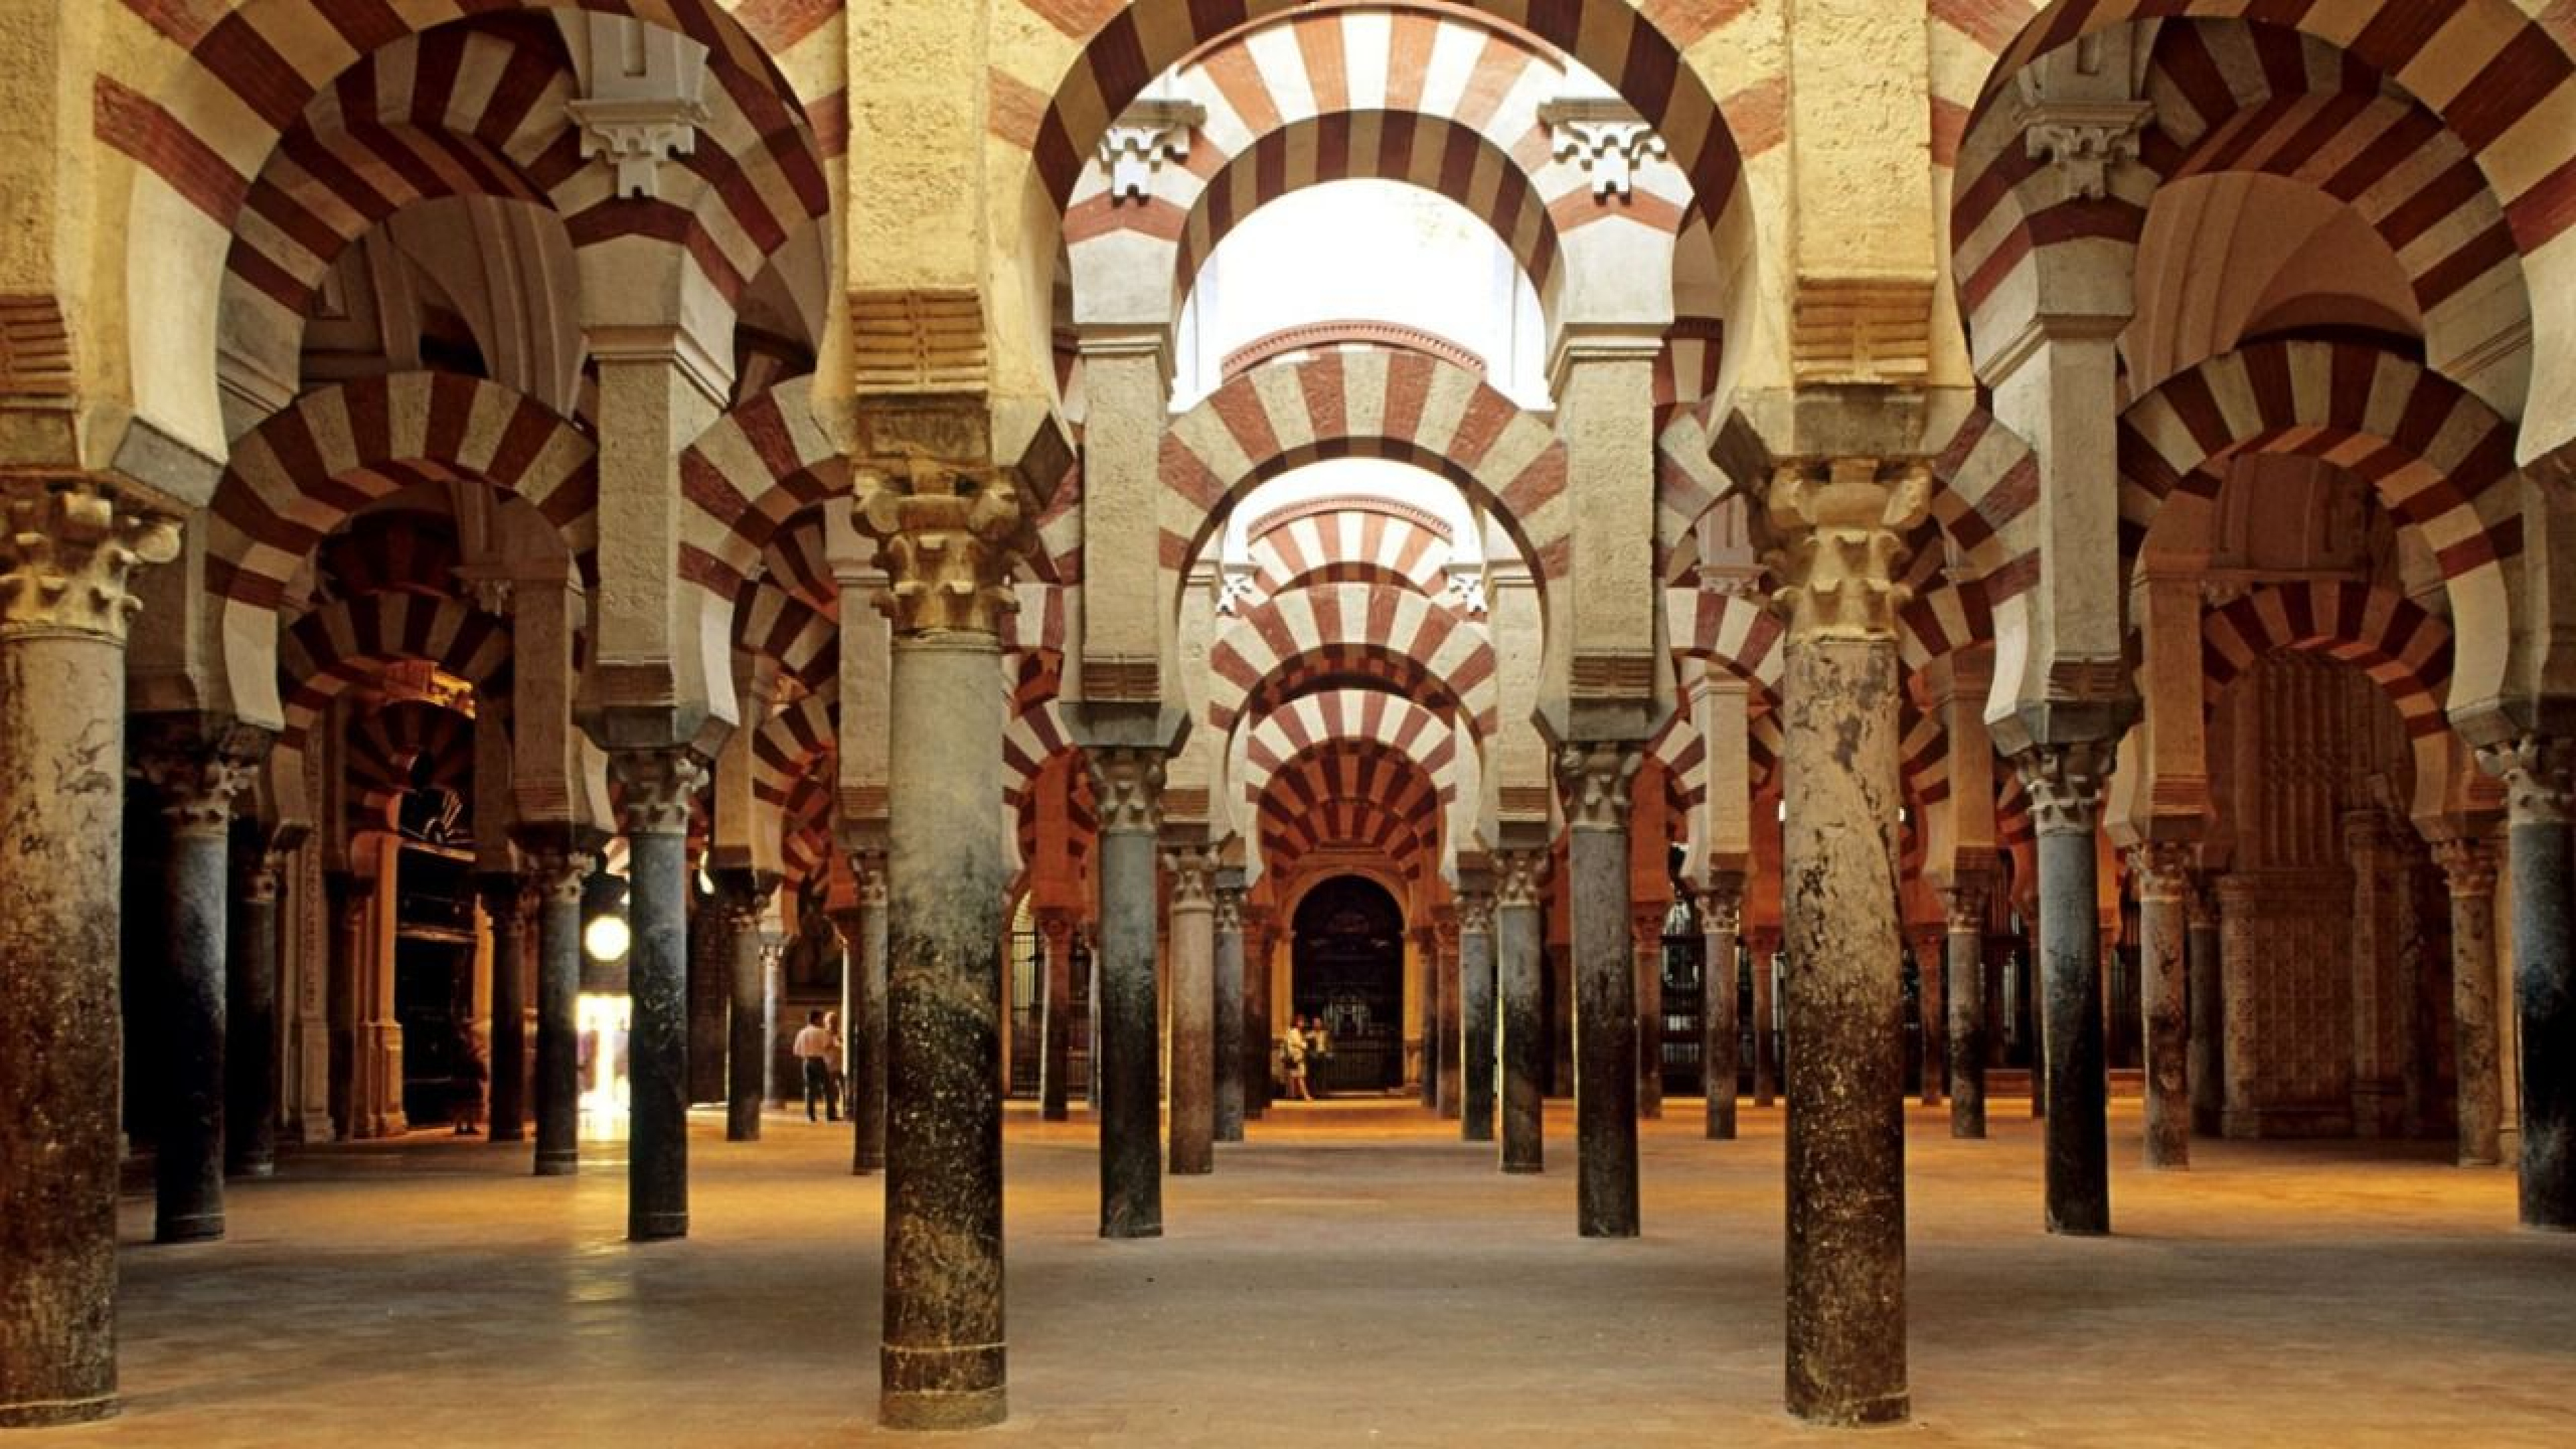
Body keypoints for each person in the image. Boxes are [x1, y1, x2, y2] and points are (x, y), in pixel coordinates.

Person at [791, 1010, 835, 1122]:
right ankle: (830, 1115)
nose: (822, 1021)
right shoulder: (822, 1032)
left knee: (810, 1089)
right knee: (827, 1089)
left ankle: (810, 1116)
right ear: (816, 1019)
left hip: (806, 1062)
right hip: (819, 1061)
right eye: (821, 1018)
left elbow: (796, 1050)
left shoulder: (802, 1032)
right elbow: (828, 1046)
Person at [451, 1026, 488, 1136]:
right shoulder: (462, 1042)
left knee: (466, 1104)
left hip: (464, 1078)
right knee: (465, 1104)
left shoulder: (464, 1041)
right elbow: (468, 1057)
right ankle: (464, 1126)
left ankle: (465, 1126)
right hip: (467, 1079)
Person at [1280, 1016, 1313, 1102]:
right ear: (1296, 1023)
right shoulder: (1293, 1032)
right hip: (1295, 1058)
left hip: (1297, 1058)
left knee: (1295, 1078)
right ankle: (1305, 1096)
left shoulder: (1297, 1032)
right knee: (1299, 1078)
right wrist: (1305, 1044)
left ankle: (1293, 1096)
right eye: (1300, 1022)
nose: (1302, 1024)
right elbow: (1298, 1043)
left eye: (1302, 1022)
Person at [821, 1010, 847, 1123]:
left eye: (835, 1021)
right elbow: (822, 1048)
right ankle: (831, 1114)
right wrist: (832, 1044)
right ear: (826, 1022)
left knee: (845, 1090)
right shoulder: (823, 1034)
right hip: (829, 1066)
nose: (833, 1024)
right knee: (830, 1092)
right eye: (831, 1021)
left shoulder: (841, 1034)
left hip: (841, 1066)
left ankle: (846, 1111)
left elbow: (844, 1047)